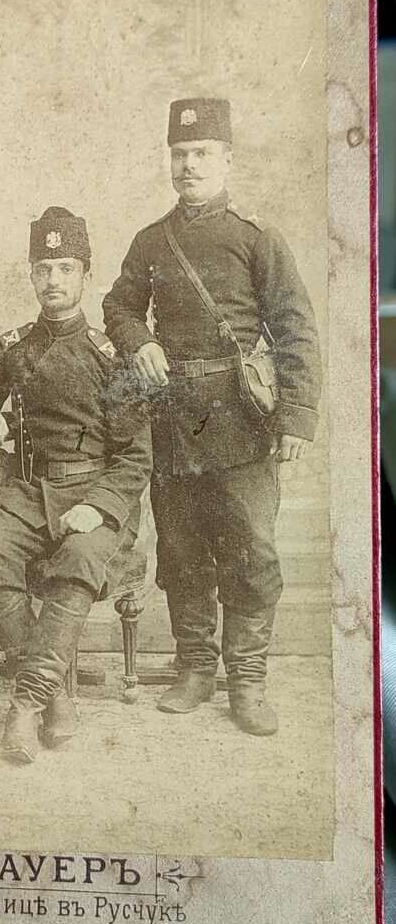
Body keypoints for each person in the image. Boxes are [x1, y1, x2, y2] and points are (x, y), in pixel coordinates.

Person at [102, 97, 322, 736]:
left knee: (251, 550)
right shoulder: (151, 241)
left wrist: (298, 418)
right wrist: (136, 340)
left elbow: (295, 329)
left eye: (201, 154)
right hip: (173, 421)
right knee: (182, 549)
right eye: (180, 154)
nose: (189, 165)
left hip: (241, 420)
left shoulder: (257, 238)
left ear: (227, 158)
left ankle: (247, 678)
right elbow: (117, 306)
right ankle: (195, 667)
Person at [0, 207, 152, 764]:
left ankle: (26, 704)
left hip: (99, 496)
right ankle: (56, 698)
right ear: (31, 273)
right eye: (43, 268)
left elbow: (137, 457)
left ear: (86, 274)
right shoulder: (12, 347)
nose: (54, 280)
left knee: (77, 564)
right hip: (30, 492)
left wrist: (98, 507)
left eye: (65, 267)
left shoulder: (111, 356)